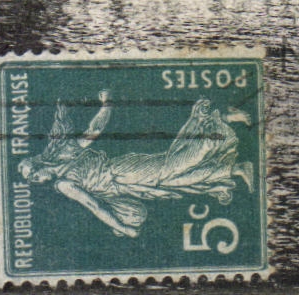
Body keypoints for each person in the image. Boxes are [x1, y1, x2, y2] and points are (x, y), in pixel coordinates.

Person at [18, 90, 255, 239]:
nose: (36, 181)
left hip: (121, 172)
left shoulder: (63, 182)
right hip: (123, 186)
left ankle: (218, 120)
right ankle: (234, 169)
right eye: (32, 180)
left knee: (170, 167)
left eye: (33, 175)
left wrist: (125, 230)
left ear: (41, 165)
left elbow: (94, 206)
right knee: (174, 181)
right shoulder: (66, 160)